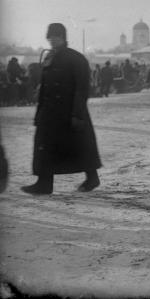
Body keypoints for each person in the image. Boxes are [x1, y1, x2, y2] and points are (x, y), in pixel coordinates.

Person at [21, 23, 102, 195]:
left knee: (79, 147)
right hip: (49, 113)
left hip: (69, 112)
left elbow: (82, 89)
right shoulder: (50, 57)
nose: (52, 41)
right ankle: (44, 183)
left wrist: (77, 114)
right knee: (45, 147)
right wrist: (39, 113)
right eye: (50, 38)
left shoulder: (76, 59)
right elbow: (44, 87)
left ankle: (92, 178)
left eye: (56, 37)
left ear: (64, 38)